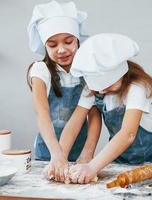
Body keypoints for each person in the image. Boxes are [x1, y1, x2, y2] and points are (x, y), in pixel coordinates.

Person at [59, 33, 152, 184]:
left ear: (120, 73)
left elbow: (128, 134)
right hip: (121, 158)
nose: (101, 92)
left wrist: (93, 167)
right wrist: (59, 158)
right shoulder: (94, 90)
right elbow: (74, 122)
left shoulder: (136, 88)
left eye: (106, 85)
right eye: (97, 88)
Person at [26, 1, 101, 182]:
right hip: (48, 153)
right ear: (44, 46)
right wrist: (57, 155)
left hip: (81, 153)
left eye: (68, 42)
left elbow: (94, 116)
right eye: (52, 45)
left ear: (77, 40)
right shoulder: (40, 70)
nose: (61, 49)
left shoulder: (88, 73)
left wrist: (88, 154)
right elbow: (41, 113)